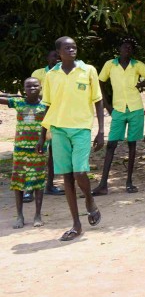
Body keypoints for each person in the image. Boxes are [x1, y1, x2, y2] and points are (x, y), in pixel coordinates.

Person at [39, 37, 104, 242]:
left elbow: (98, 100)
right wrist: (43, 136)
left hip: (81, 128)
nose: (71, 49)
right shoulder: (51, 75)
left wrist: (101, 130)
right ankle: (76, 224)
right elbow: (47, 105)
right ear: (58, 52)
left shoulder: (88, 70)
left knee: (79, 172)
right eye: (67, 47)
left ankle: (90, 201)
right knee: (66, 176)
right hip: (58, 129)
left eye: (74, 46)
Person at [96, 39, 145, 195]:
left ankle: (129, 182)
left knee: (132, 145)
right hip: (117, 108)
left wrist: (141, 85)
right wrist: (106, 104)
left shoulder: (136, 65)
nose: (127, 49)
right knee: (111, 145)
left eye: (130, 48)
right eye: (125, 47)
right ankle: (103, 184)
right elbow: (100, 82)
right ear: (119, 49)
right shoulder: (110, 64)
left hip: (135, 108)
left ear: (132, 51)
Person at [2, 77, 47, 228]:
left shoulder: (46, 106)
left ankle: (38, 215)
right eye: (28, 86)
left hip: (39, 149)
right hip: (20, 149)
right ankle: (20, 216)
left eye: (35, 86)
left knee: (38, 181)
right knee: (18, 182)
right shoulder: (18, 103)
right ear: (24, 89)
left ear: (40, 87)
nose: (32, 88)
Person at [32, 49, 62, 196]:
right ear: (47, 58)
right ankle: (30, 188)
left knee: (53, 152)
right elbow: (34, 94)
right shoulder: (38, 74)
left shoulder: (64, 73)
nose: (57, 58)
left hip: (58, 115)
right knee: (36, 151)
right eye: (54, 56)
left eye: (59, 56)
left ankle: (49, 185)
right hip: (39, 115)